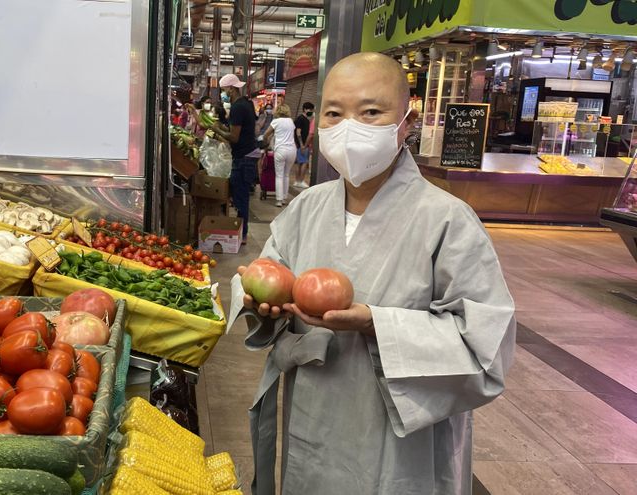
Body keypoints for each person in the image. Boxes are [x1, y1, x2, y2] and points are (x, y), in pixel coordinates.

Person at [229, 52, 516, 494]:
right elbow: (271, 276)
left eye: (370, 112)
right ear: (318, 123)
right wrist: (264, 306)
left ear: (407, 120)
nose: (350, 127)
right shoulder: (306, 208)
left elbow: (486, 351)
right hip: (315, 414)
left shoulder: (447, 220)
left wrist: (377, 324)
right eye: (334, 113)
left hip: (402, 443)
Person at [213, 73, 259, 243]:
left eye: (224, 90)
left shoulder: (238, 107)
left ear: (231, 89)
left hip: (244, 157)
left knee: (241, 197)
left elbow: (234, 137)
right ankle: (241, 231)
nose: (222, 94)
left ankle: (242, 234)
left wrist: (217, 129)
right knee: (240, 195)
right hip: (248, 154)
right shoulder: (246, 104)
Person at [262, 103, 297, 207]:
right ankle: (285, 198)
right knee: (286, 175)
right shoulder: (291, 121)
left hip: (280, 150)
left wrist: (265, 141)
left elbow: (266, 134)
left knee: (279, 175)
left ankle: (278, 200)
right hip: (292, 150)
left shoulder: (276, 121)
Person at [293, 102, 314, 188]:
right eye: (310, 110)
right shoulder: (301, 119)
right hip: (302, 145)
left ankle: (297, 181)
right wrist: (302, 145)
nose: (312, 111)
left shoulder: (305, 119)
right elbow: (298, 132)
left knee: (300, 162)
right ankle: (300, 180)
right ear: (305, 109)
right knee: (304, 162)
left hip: (302, 145)